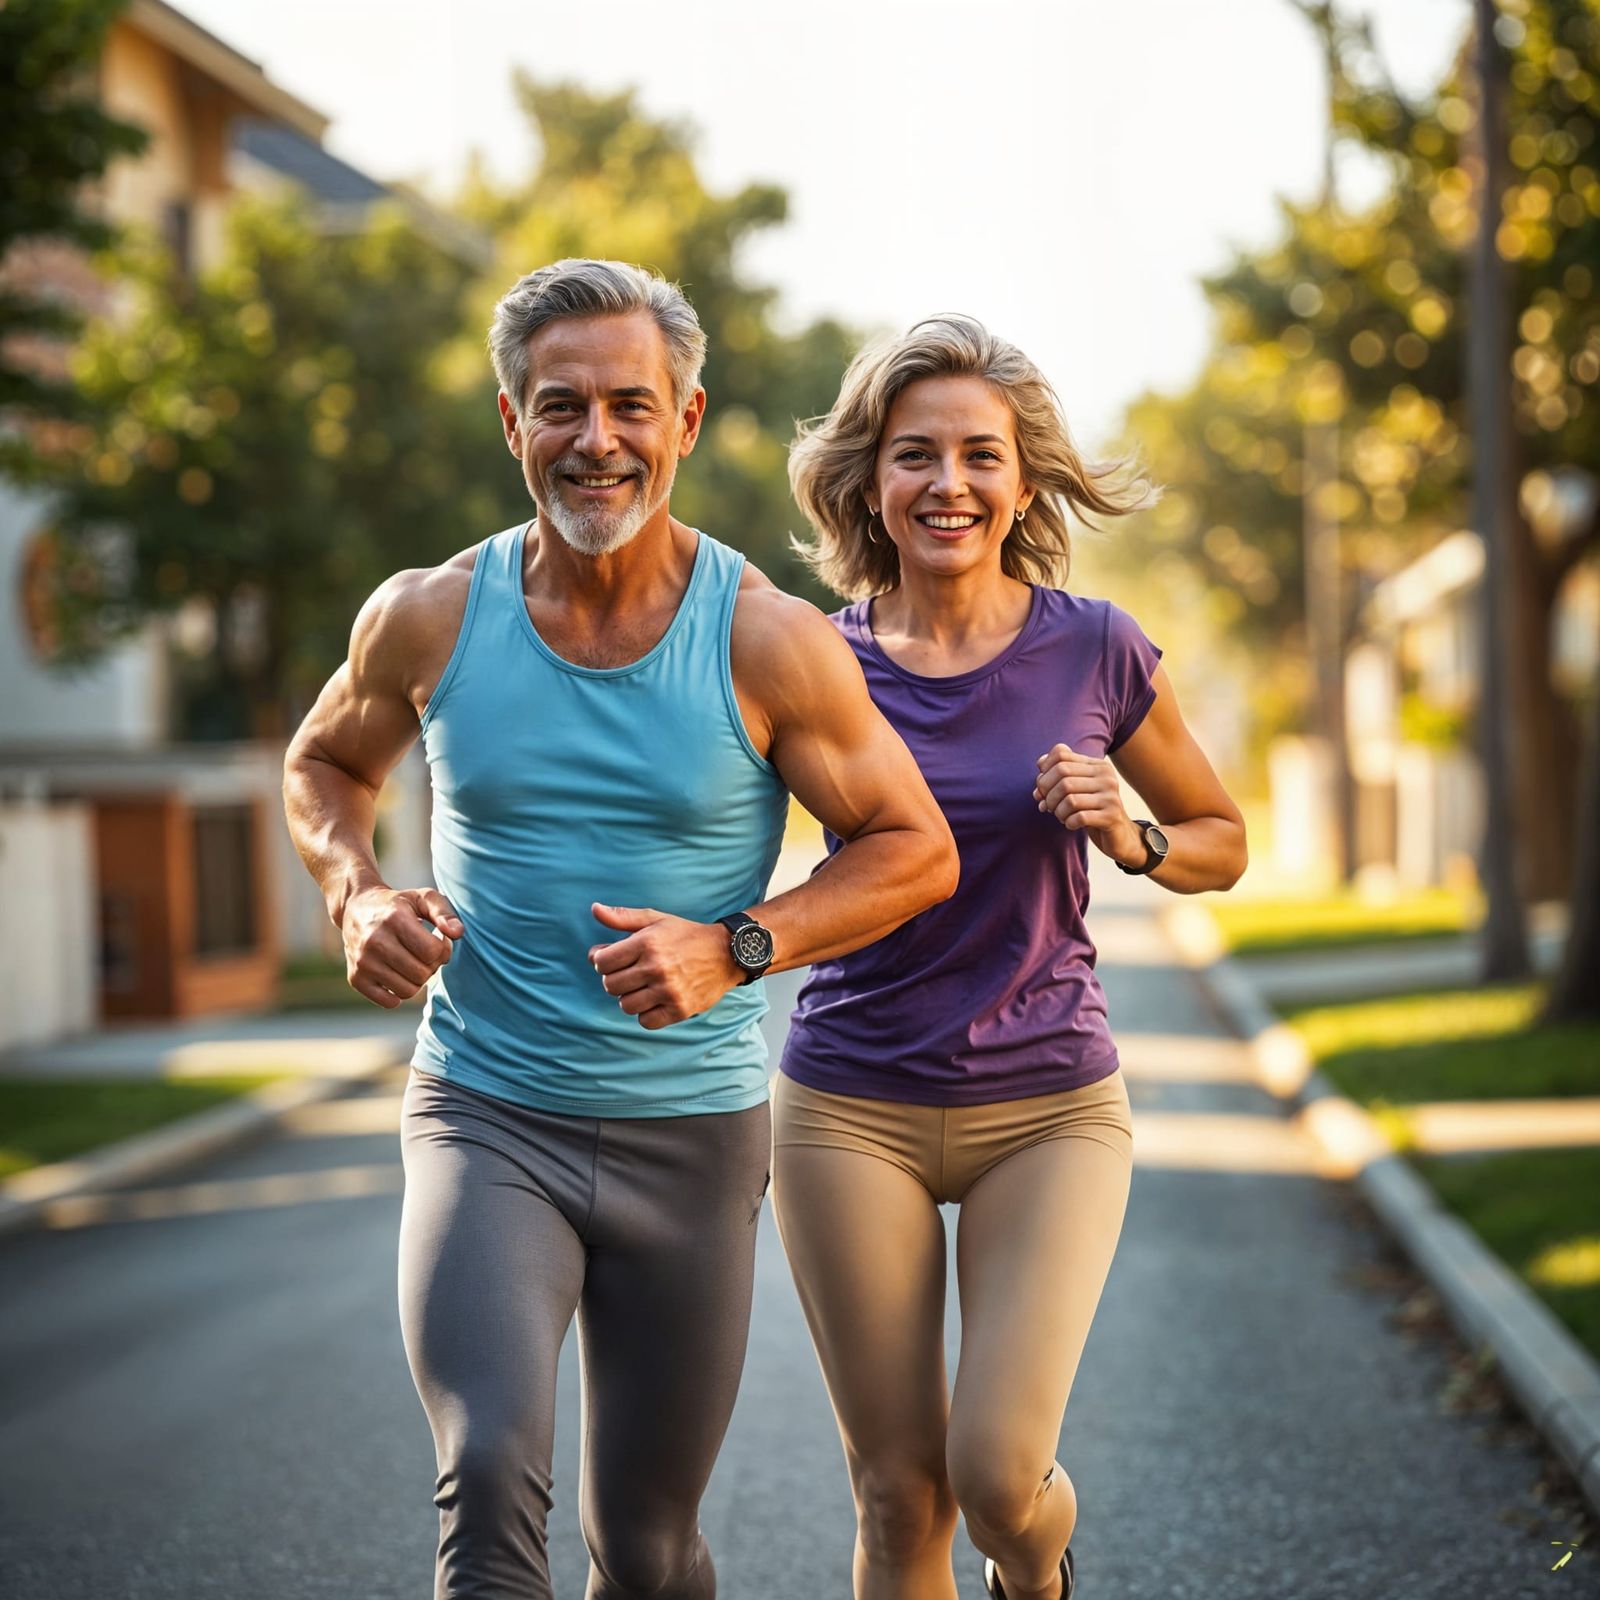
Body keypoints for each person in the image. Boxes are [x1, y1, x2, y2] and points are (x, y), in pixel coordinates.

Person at [282, 258, 958, 1600]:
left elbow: (915, 848)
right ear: (511, 422)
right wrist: (354, 891)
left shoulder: (768, 641)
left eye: (632, 407)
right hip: (487, 1111)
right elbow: (324, 767)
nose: (598, 442)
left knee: (645, 1551)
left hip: (692, 1143)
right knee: (485, 1483)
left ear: (688, 421)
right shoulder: (426, 615)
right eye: (563, 407)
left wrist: (737, 945)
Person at [772, 314, 1248, 1600]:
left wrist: (1133, 832)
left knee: (994, 1475)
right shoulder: (818, 658)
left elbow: (1221, 839)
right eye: (914, 454)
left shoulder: (1092, 645)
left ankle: (1036, 1575)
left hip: (1047, 1106)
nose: (948, 483)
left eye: (979, 455)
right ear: (869, 481)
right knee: (894, 1493)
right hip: (847, 1104)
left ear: (1022, 480)